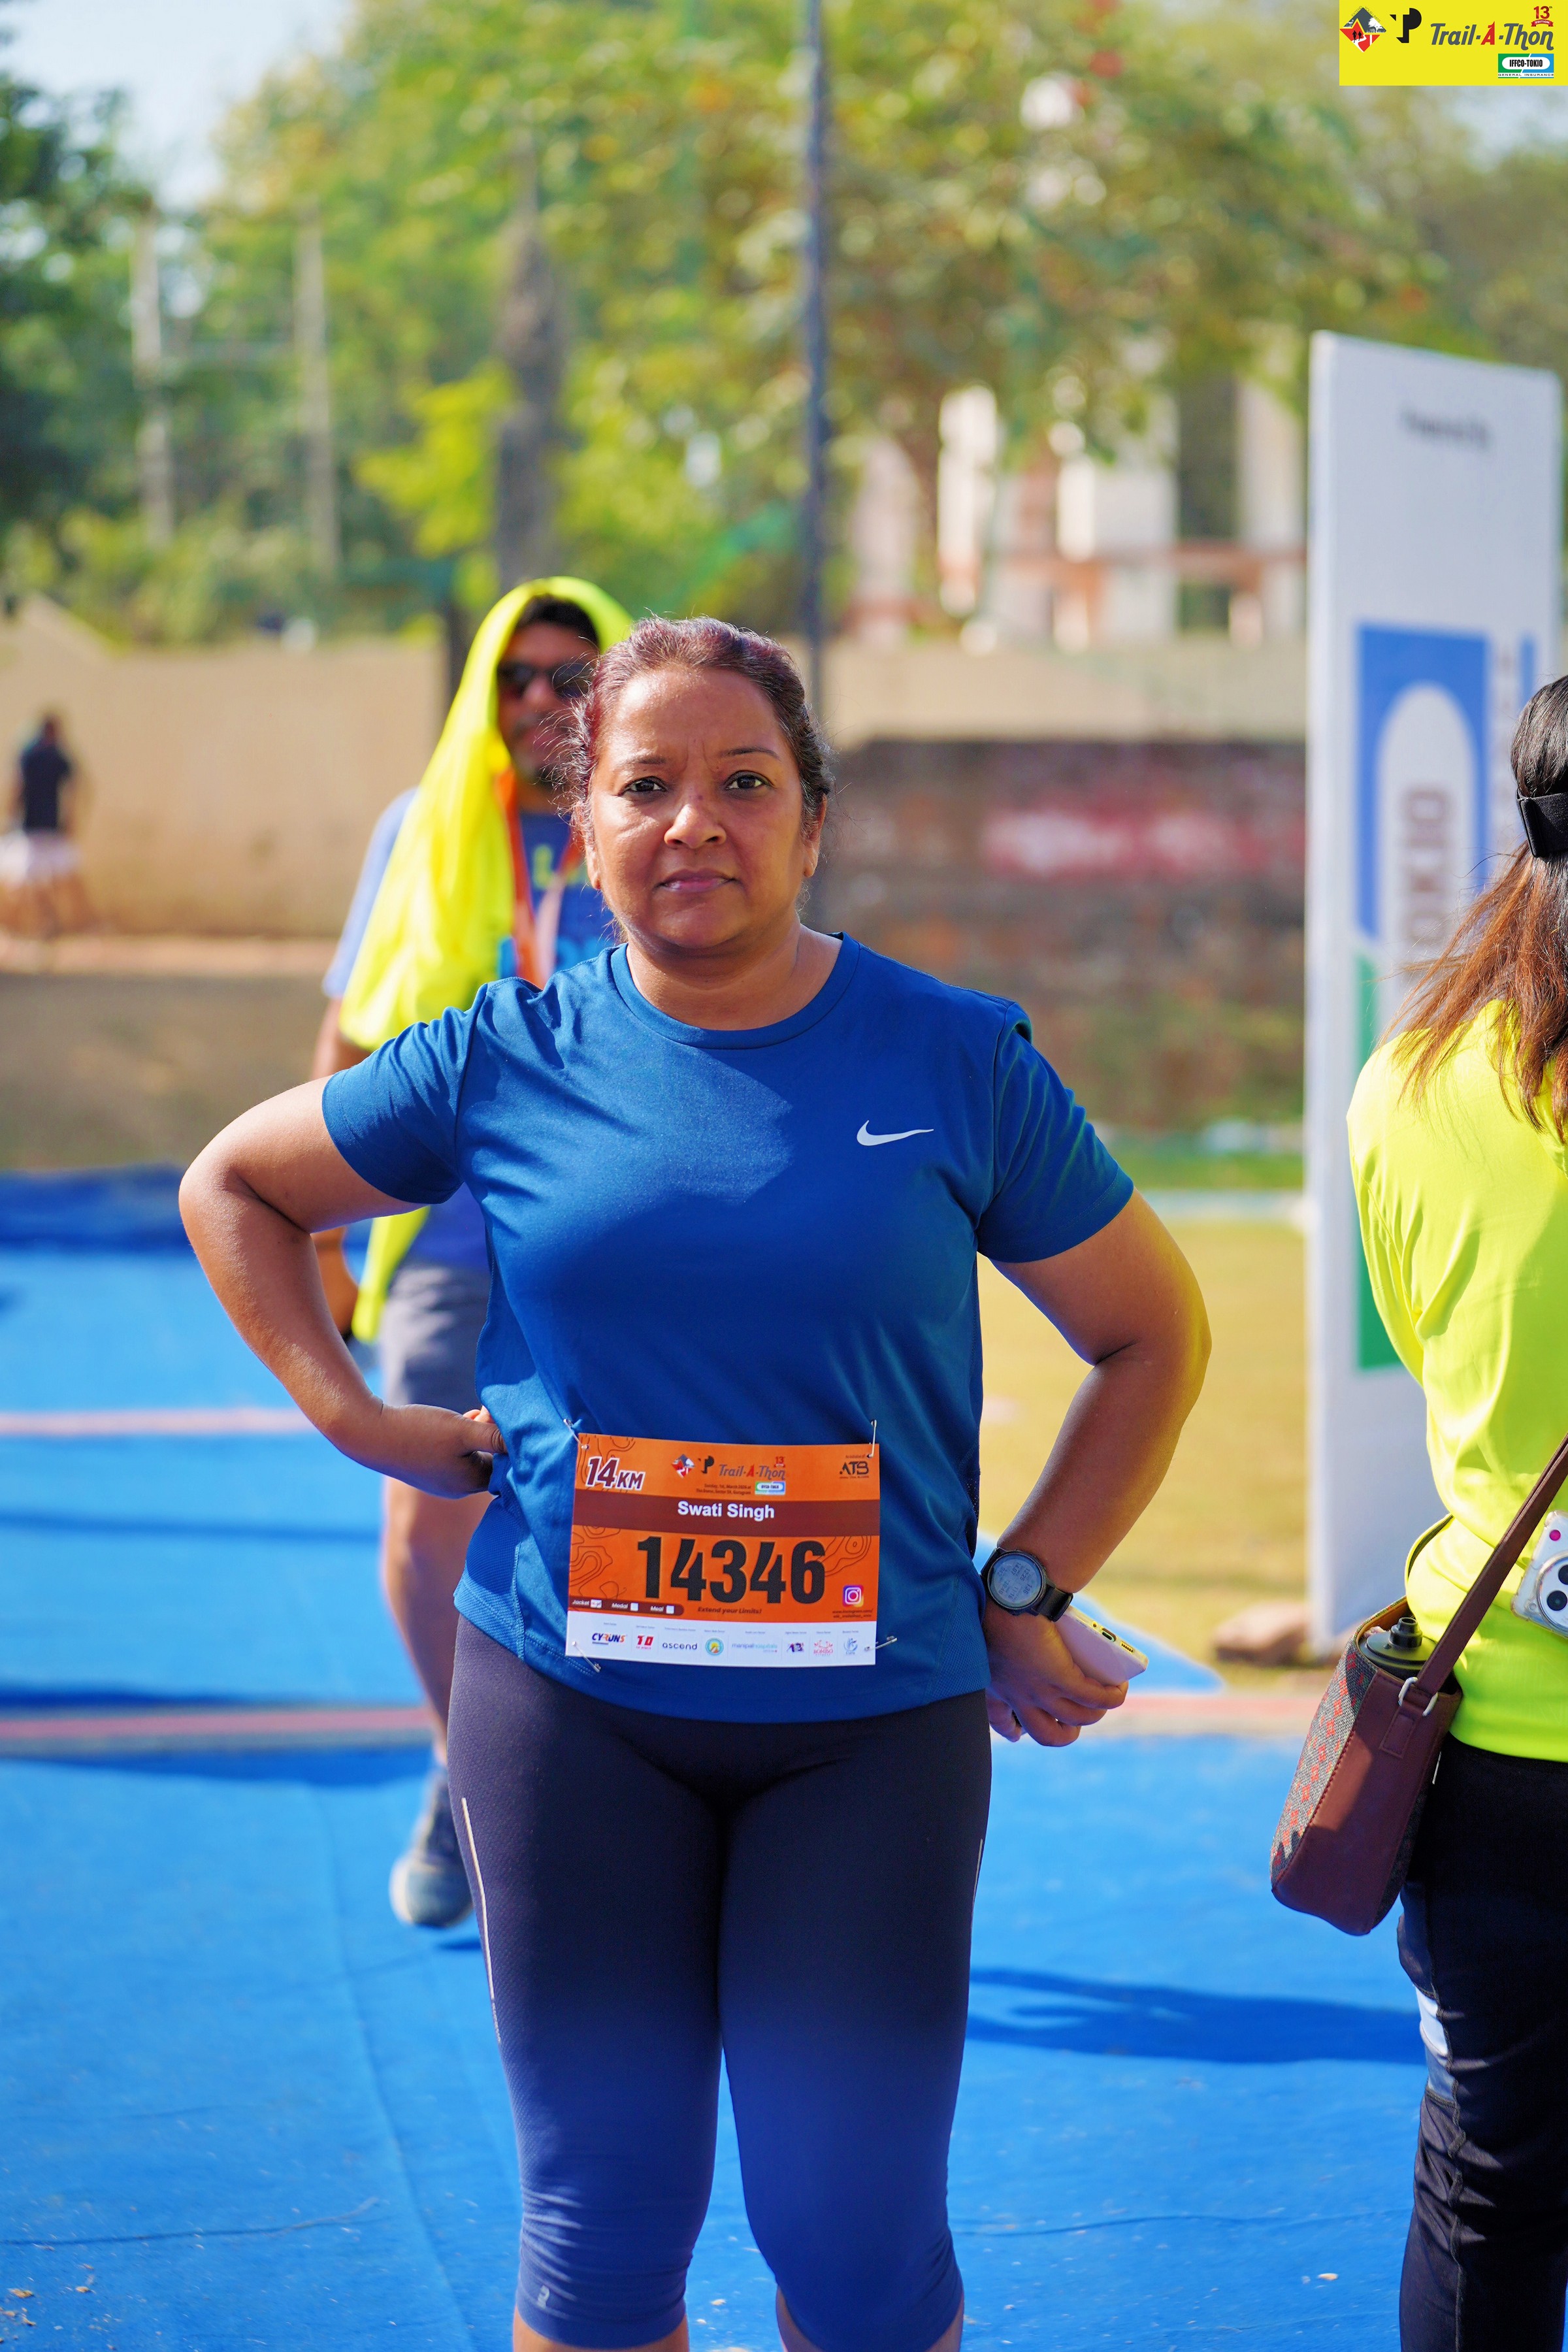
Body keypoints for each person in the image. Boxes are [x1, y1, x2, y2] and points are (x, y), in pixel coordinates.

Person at [180, 616, 1209, 2352]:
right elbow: (237, 1185)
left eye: (744, 783)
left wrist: (1028, 1585)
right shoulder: (503, 1052)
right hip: (570, 1717)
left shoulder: (954, 1060)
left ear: (814, 819)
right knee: (599, 2242)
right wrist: (357, 1417)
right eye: (645, 786)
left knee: (856, 2250)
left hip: (867, 1734)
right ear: (583, 823)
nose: (694, 825)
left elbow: (1151, 1334)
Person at [311, 578, 632, 1927]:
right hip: (448, 1224)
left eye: (571, 675)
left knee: (618, 1518)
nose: (542, 700)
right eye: (518, 676)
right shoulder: (423, 825)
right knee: (423, 1516)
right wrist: (322, 1224)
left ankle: (615, 1787)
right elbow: (351, 1025)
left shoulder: (645, 817)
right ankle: (472, 1772)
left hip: (618, 1229)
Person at [1350, 672, 1568, 2352]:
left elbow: (1430, 1343)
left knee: (1487, 2182)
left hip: (1487, 1735)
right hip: (1495, 1738)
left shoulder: (1409, 1084)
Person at [0, 714, 91, 936]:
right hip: (44, 828)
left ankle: (50, 922)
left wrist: (11, 816)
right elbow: (75, 784)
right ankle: (48, 922)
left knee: (37, 881)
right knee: (41, 881)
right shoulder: (56, 756)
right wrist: (71, 817)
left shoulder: (30, 754)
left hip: (38, 827)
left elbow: (17, 787)